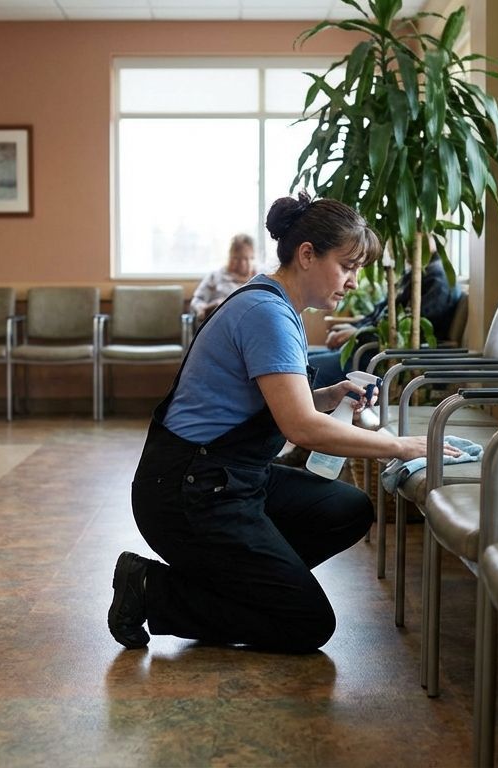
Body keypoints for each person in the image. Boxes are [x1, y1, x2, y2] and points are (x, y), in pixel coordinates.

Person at [108, 193, 461, 653]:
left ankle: (248, 583)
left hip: (225, 478)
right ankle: (153, 589)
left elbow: (270, 403)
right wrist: (401, 446)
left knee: (348, 509)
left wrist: (325, 396)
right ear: (308, 254)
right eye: (347, 266)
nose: (353, 282)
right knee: (306, 623)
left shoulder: (276, 304)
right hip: (186, 493)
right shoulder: (268, 314)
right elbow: (303, 429)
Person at [307, 254, 461, 387]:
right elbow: (379, 314)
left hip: (377, 358)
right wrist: (356, 328)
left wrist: (358, 334)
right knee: (304, 358)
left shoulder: (437, 279)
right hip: (365, 351)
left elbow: (408, 334)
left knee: (303, 371)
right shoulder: (415, 274)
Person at [189, 233, 258, 323]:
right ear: (229, 256)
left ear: (252, 258)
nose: (241, 263)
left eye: (245, 259)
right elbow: (196, 300)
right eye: (236, 258)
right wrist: (202, 309)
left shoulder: (259, 280)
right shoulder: (215, 276)